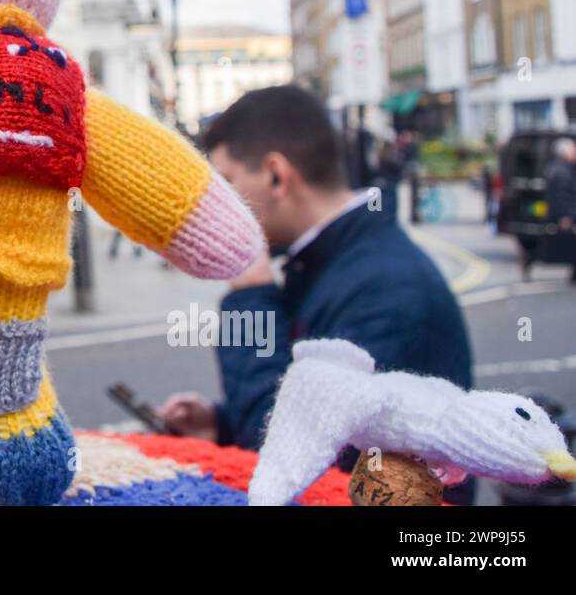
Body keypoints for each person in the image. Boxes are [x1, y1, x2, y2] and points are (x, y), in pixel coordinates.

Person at [159, 85, 474, 501]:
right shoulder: (330, 259)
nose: (221, 209)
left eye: (228, 184)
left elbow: (297, 464)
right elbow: (303, 402)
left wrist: (250, 300)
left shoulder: (385, 292)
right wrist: (220, 423)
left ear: (277, 175)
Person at [544, 137, 576, 282]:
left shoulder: (558, 167)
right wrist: (566, 216)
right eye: (573, 149)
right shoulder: (561, 170)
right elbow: (562, 195)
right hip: (568, 214)